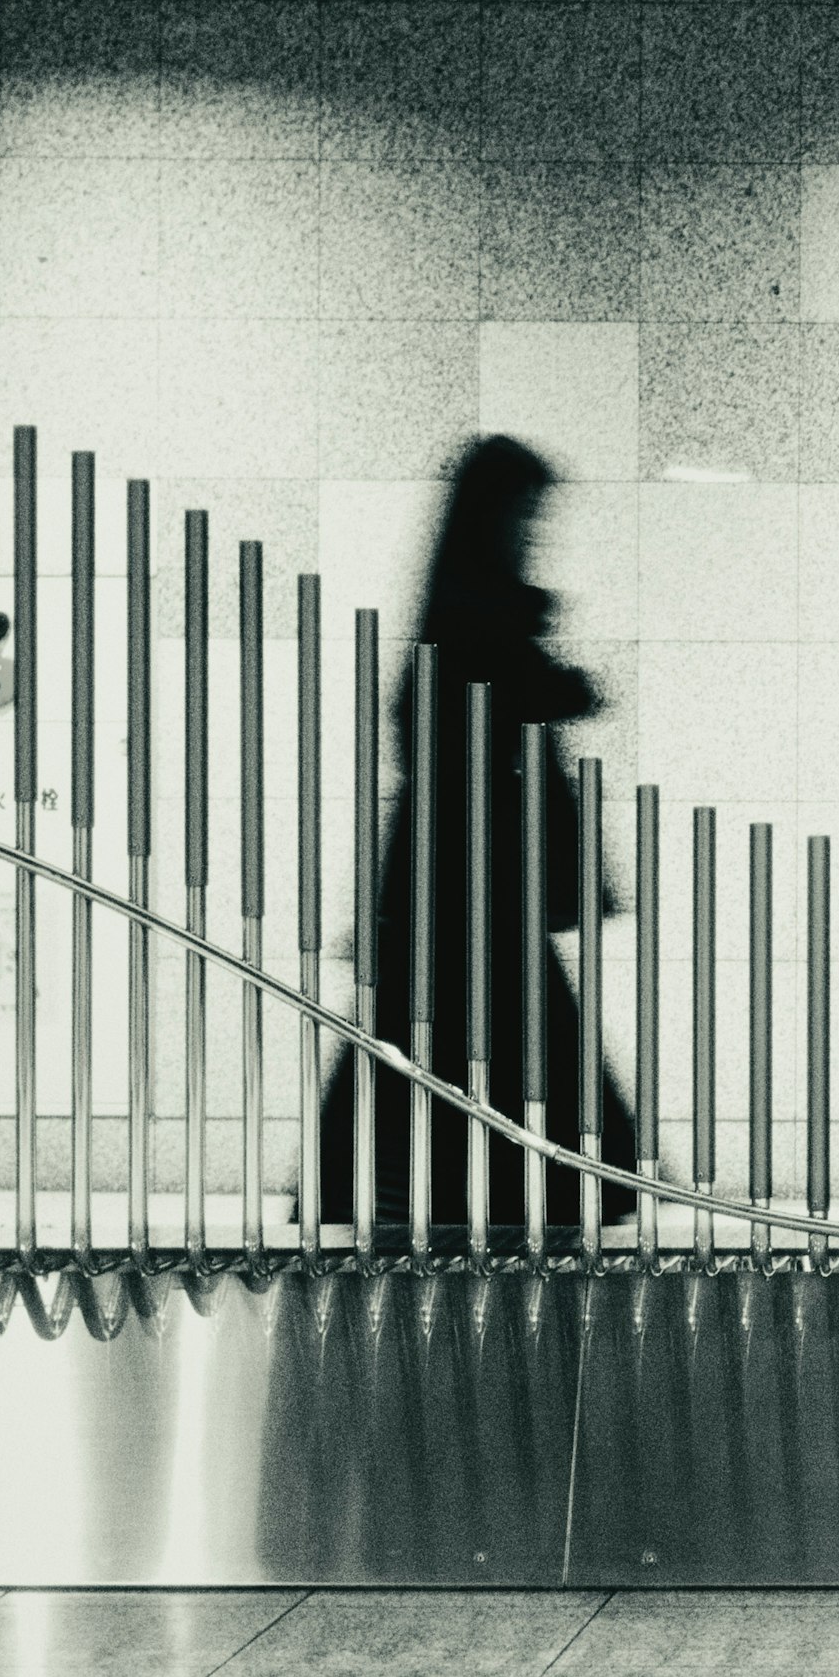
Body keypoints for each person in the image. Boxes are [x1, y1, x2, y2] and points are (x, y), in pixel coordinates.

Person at [317, 435, 637, 1240]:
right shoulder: (477, 617)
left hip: (460, 886)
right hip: (473, 886)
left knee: (423, 1059)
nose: (534, 529)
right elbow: (507, 703)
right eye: (526, 512)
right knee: (529, 1079)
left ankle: (408, 1199)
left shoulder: (466, 609)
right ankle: (499, 1207)